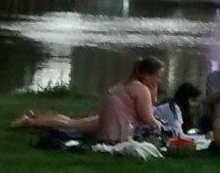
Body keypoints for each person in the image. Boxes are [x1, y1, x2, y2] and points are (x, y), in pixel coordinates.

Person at [11, 57, 165, 142]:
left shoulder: (126, 84)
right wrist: (164, 129)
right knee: (72, 125)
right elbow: (147, 118)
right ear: (146, 75)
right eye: (157, 77)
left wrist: (154, 93)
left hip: (111, 120)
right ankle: (29, 122)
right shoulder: (142, 89)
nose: (159, 81)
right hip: (119, 126)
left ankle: (35, 118)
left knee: (72, 122)